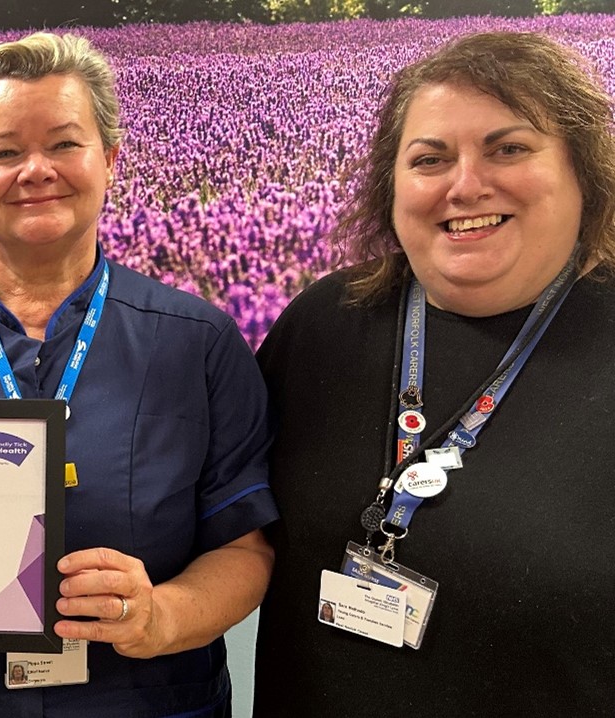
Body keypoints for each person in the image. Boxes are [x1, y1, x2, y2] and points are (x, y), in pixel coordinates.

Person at [0, 32, 277, 717]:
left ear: (110, 159)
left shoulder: (197, 341)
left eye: (64, 143)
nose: (35, 170)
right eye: (3, 152)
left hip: (137, 700)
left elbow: (245, 547)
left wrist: (166, 615)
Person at [254, 32, 615, 716]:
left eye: (509, 148)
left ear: (583, 171)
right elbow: (222, 516)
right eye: (430, 159)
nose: (466, 184)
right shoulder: (324, 322)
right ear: (392, 186)